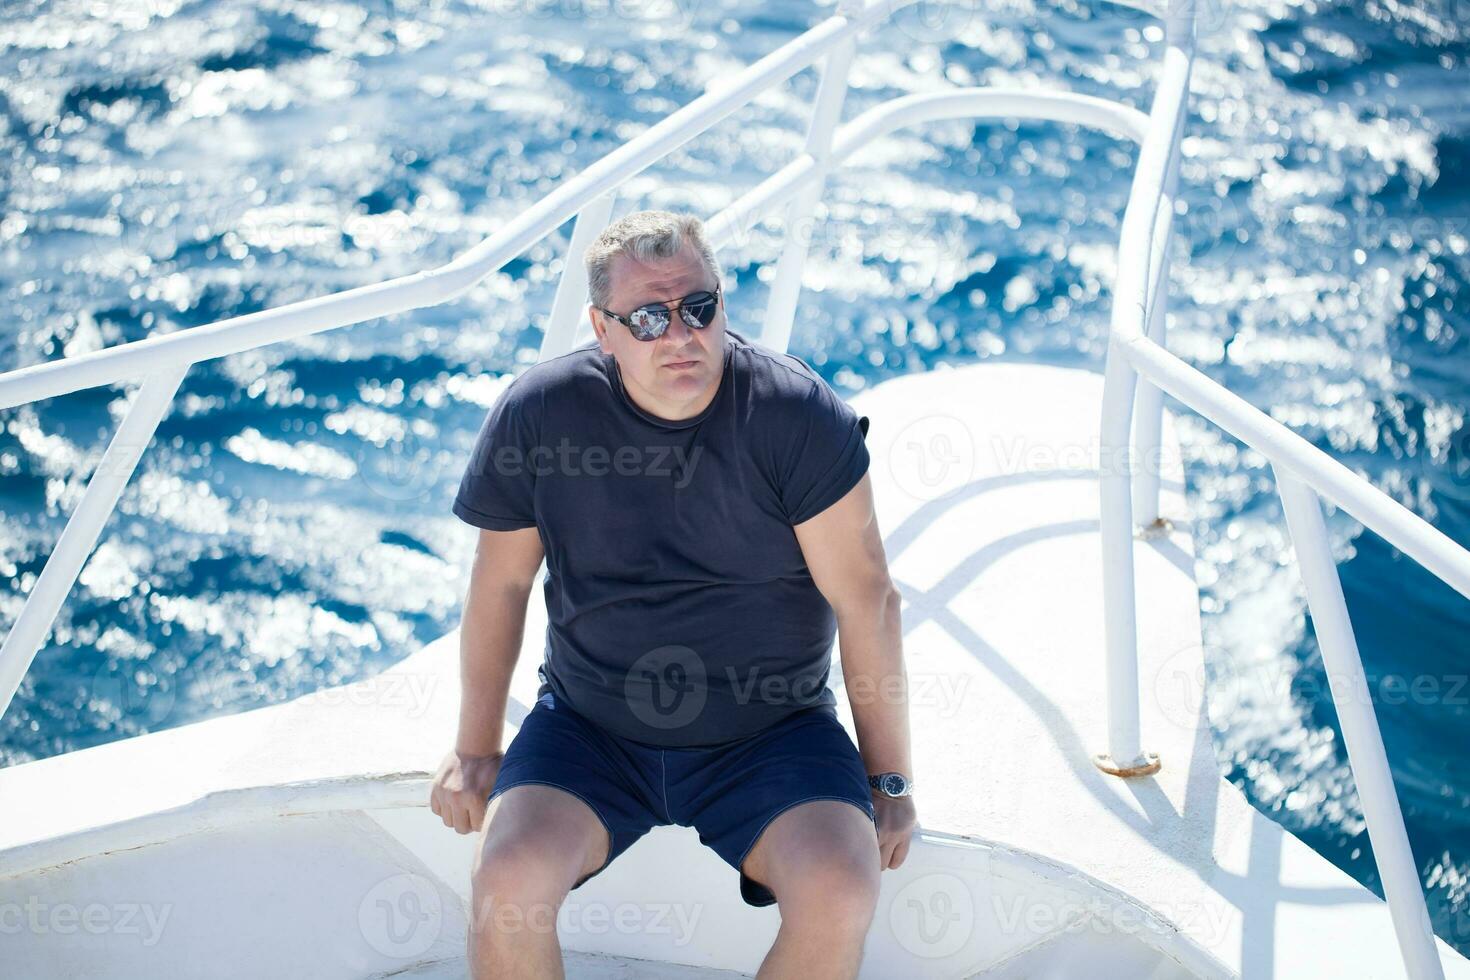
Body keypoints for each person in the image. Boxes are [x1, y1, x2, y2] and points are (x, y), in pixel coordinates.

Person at [429, 209, 916, 979]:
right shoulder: (540, 414)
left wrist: (889, 781)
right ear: (602, 328)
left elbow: (869, 601)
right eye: (648, 318)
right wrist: (475, 748)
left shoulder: (793, 413)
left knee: (840, 885)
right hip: (591, 729)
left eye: (699, 309)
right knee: (505, 883)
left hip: (772, 731)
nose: (680, 335)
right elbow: (502, 583)